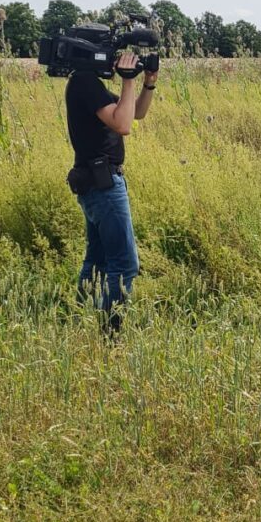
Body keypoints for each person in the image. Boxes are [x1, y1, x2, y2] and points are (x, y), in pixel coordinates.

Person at [65, 51, 158, 334]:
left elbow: (135, 113)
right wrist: (128, 81)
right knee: (125, 264)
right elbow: (123, 125)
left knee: (98, 261)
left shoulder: (89, 83)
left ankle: (79, 323)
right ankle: (110, 335)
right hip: (103, 186)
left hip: (98, 182)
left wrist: (148, 83)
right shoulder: (84, 82)